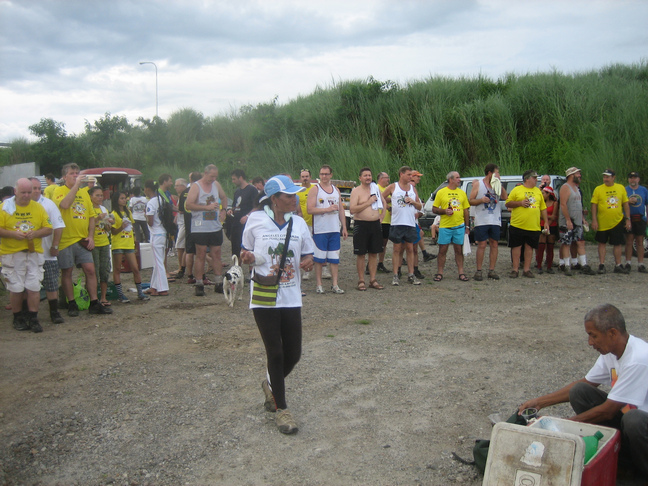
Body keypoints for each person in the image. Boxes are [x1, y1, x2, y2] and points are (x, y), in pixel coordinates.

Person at [518, 304, 648, 479]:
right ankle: (622, 462)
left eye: (593, 336)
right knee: (580, 391)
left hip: (640, 426)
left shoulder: (638, 359)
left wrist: (564, 427)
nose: (590, 343)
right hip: (630, 426)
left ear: (612, 333)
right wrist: (539, 402)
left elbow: (608, 411)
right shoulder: (611, 352)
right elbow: (586, 383)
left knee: (634, 419)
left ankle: (642, 473)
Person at [240, 175, 314, 435]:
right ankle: (282, 410)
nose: (294, 199)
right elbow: (245, 250)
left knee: (294, 353)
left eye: (295, 195)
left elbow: (308, 252)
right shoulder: (255, 220)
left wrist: (308, 260)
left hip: (291, 295)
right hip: (263, 293)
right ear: (274, 199)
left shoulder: (299, 223)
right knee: (276, 352)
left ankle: (270, 384)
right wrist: (247, 256)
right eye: (289, 196)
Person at [53, 163, 112, 316]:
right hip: (66, 239)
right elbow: (65, 204)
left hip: (82, 239)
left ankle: (94, 302)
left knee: (90, 270)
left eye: (77, 173)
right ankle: (71, 303)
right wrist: (76, 186)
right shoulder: (58, 190)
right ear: (64, 177)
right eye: (72, 173)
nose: (75, 176)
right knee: (67, 271)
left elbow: (91, 217)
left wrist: (91, 236)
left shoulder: (85, 194)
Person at [0, 178, 53, 332]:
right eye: (23, 192)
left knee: (34, 286)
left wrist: (35, 233)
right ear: (15, 191)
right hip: (12, 254)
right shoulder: (5, 208)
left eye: (29, 192)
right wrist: (12, 234)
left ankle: (33, 317)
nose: (26, 195)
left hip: (33, 253)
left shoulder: (38, 208)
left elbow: (48, 228)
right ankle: (17, 317)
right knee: (16, 288)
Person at [185, 164, 228, 296]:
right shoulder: (196, 186)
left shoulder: (216, 185)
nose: (213, 179)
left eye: (215, 177)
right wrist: (205, 208)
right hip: (200, 226)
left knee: (216, 253)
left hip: (214, 225)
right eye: (211, 176)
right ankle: (199, 283)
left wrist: (223, 210)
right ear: (205, 173)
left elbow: (224, 197)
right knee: (201, 254)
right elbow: (188, 205)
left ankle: (219, 282)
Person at [29, 177, 66, 324]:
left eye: (39, 188)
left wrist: (55, 245)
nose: (37, 191)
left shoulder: (48, 204)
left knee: (51, 283)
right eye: (34, 188)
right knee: (29, 286)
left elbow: (58, 226)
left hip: (47, 253)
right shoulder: (17, 205)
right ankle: (28, 314)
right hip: (28, 254)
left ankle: (54, 312)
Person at [307, 164, 348, 294]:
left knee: (334, 258)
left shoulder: (336, 190)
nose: (324, 176)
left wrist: (344, 227)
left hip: (334, 229)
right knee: (319, 259)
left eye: (326, 174)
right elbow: (310, 209)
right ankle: (319, 284)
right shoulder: (315, 189)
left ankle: (335, 284)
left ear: (331, 175)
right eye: (321, 174)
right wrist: (327, 209)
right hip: (320, 229)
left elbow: (341, 209)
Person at [380, 166, 423, 286]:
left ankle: (411, 274)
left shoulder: (412, 189)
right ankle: (395, 275)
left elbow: (419, 206)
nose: (410, 177)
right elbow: (381, 198)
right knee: (397, 249)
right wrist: (389, 206)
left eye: (411, 175)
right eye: (408, 174)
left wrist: (413, 202)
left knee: (410, 249)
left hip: (410, 222)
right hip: (397, 223)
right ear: (401, 174)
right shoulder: (393, 187)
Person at [505, 170, 549, 278]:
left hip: (533, 225)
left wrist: (546, 222)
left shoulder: (538, 191)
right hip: (518, 224)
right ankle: (515, 269)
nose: (536, 180)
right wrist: (520, 203)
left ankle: (527, 269)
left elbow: (543, 208)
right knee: (516, 247)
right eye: (534, 178)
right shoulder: (517, 190)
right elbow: (508, 203)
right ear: (527, 179)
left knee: (530, 247)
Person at [468, 163, 508, 281]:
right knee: (482, 244)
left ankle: (492, 270)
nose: (498, 174)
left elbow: (505, 197)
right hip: (482, 219)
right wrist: (481, 200)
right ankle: (479, 270)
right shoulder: (478, 184)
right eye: (496, 172)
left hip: (495, 219)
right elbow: (471, 200)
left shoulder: (497, 185)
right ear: (490, 173)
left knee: (494, 244)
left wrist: (499, 183)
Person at [110, 191, 149, 303]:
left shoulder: (128, 212)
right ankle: (120, 294)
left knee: (135, 268)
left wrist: (134, 240)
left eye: (125, 198)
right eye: (122, 198)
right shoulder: (113, 214)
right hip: (118, 243)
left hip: (129, 243)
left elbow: (132, 226)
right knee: (117, 269)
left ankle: (140, 292)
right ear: (116, 200)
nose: (124, 200)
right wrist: (121, 227)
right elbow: (113, 231)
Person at [350, 167, 384, 291]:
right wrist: (368, 202)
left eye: (369, 175)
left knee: (374, 253)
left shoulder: (375, 189)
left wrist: (382, 215)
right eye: (365, 175)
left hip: (375, 224)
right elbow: (352, 209)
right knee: (361, 253)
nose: (368, 177)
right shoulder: (356, 191)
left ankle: (373, 279)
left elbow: (384, 202)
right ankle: (361, 280)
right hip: (361, 224)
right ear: (360, 178)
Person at [591, 169, 631, 274]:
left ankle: (618, 265)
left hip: (617, 221)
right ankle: (601, 265)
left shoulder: (620, 188)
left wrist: (628, 219)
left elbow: (625, 204)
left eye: (608, 177)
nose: (605, 179)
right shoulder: (598, 189)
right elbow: (594, 205)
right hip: (602, 221)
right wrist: (594, 220)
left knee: (617, 243)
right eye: (604, 177)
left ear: (613, 177)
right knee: (602, 243)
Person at [432, 171, 470, 282]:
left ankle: (461, 272)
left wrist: (467, 226)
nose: (459, 180)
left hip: (459, 226)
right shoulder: (441, 192)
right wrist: (444, 211)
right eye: (457, 178)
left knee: (459, 250)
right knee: (442, 250)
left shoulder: (462, 193)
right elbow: (434, 209)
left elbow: (466, 210)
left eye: (459, 177)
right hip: (445, 227)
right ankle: (440, 273)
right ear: (451, 179)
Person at [558, 167, 596, 276]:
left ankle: (584, 264)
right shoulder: (565, 187)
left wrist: (583, 219)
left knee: (580, 241)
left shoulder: (576, 188)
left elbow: (579, 205)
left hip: (578, 220)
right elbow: (563, 204)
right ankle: (566, 265)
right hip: (567, 220)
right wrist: (568, 220)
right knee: (566, 243)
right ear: (571, 175)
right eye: (577, 173)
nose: (579, 175)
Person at [144, 179, 169, 296]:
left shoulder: (151, 203)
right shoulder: (161, 199)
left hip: (155, 234)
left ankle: (162, 288)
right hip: (163, 232)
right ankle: (153, 286)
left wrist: (145, 216)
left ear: (147, 189)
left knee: (158, 263)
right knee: (157, 260)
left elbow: (150, 222)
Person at [89, 186, 113, 307]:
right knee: (93, 272)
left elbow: (107, 228)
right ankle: (94, 298)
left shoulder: (103, 209)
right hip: (93, 243)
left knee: (104, 270)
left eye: (101, 195)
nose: (100, 198)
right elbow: (86, 224)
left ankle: (103, 297)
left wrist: (108, 224)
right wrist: (98, 218)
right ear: (91, 196)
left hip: (104, 241)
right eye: (97, 195)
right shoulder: (88, 208)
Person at [228, 169, 258, 258]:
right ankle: (236, 265)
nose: (233, 181)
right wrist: (231, 210)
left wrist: (247, 216)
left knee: (248, 249)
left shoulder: (252, 190)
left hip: (247, 225)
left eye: (234, 179)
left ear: (240, 178)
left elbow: (257, 207)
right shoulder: (237, 192)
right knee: (235, 249)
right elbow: (235, 206)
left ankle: (250, 266)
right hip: (236, 224)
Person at [624, 171, 648, 273]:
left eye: (635, 178)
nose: (633, 180)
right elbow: (621, 203)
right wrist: (628, 201)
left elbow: (647, 204)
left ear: (638, 179)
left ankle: (640, 264)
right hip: (629, 218)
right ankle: (628, 263)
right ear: (629, 179)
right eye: (631, 178)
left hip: (640, 218)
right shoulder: (625, 190)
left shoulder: (644, 190)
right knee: (629, 240)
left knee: (640, 241)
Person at [535, 186, 558, 273]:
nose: (542, 195)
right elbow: (540, 214)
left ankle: (549, 266)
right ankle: (539, 265)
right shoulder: (541, 202)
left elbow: (554, 216)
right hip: (542, 224)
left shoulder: (555, 203)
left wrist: (547, 221)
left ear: (549, 194)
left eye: (544, 193)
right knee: (541, 245)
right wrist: (548, 218)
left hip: (551, 225)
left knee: (550, 246)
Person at [171, 178, 188, 278]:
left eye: (177, 185)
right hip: (181, 222)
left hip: (184, 223)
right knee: (181, 246)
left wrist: (172, 207)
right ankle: (181, 266)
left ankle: (181, 267)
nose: (175, 187)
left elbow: (182, 210)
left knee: (179, 246)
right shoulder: (180, 196)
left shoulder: (184, 196)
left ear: (183, 186)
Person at [376, 172, 392, 274]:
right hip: (379, 219)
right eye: (387, 178)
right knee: (375, 242)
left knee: (384, 243)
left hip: (387, 220)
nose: (388, 180)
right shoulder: (376, 188)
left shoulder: (388, 189)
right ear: (381, 178)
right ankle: (370, 264)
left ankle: (380, 263)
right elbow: (380, 199)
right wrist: (390, 200)